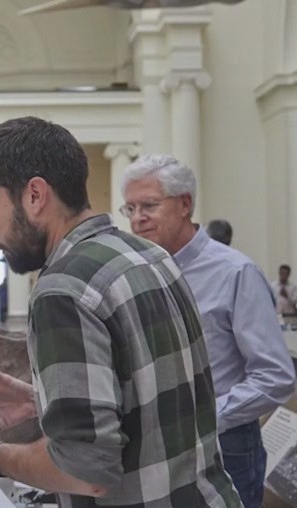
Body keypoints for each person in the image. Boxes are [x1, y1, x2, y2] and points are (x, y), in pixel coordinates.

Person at [0, 117, 240, 507]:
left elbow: (86, 471)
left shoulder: (62, 289)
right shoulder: (148, 254)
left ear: (34, 195)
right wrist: (47, 402)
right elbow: (154, 395)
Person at [122, 154, 296, 507]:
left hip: (224, 446)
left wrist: (204, 418)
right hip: (153, 448)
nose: (137, 219)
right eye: (130, 208)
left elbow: (276, 375)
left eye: (149, 206)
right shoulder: (137, 271)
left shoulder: (235, 273)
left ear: (184, 204)